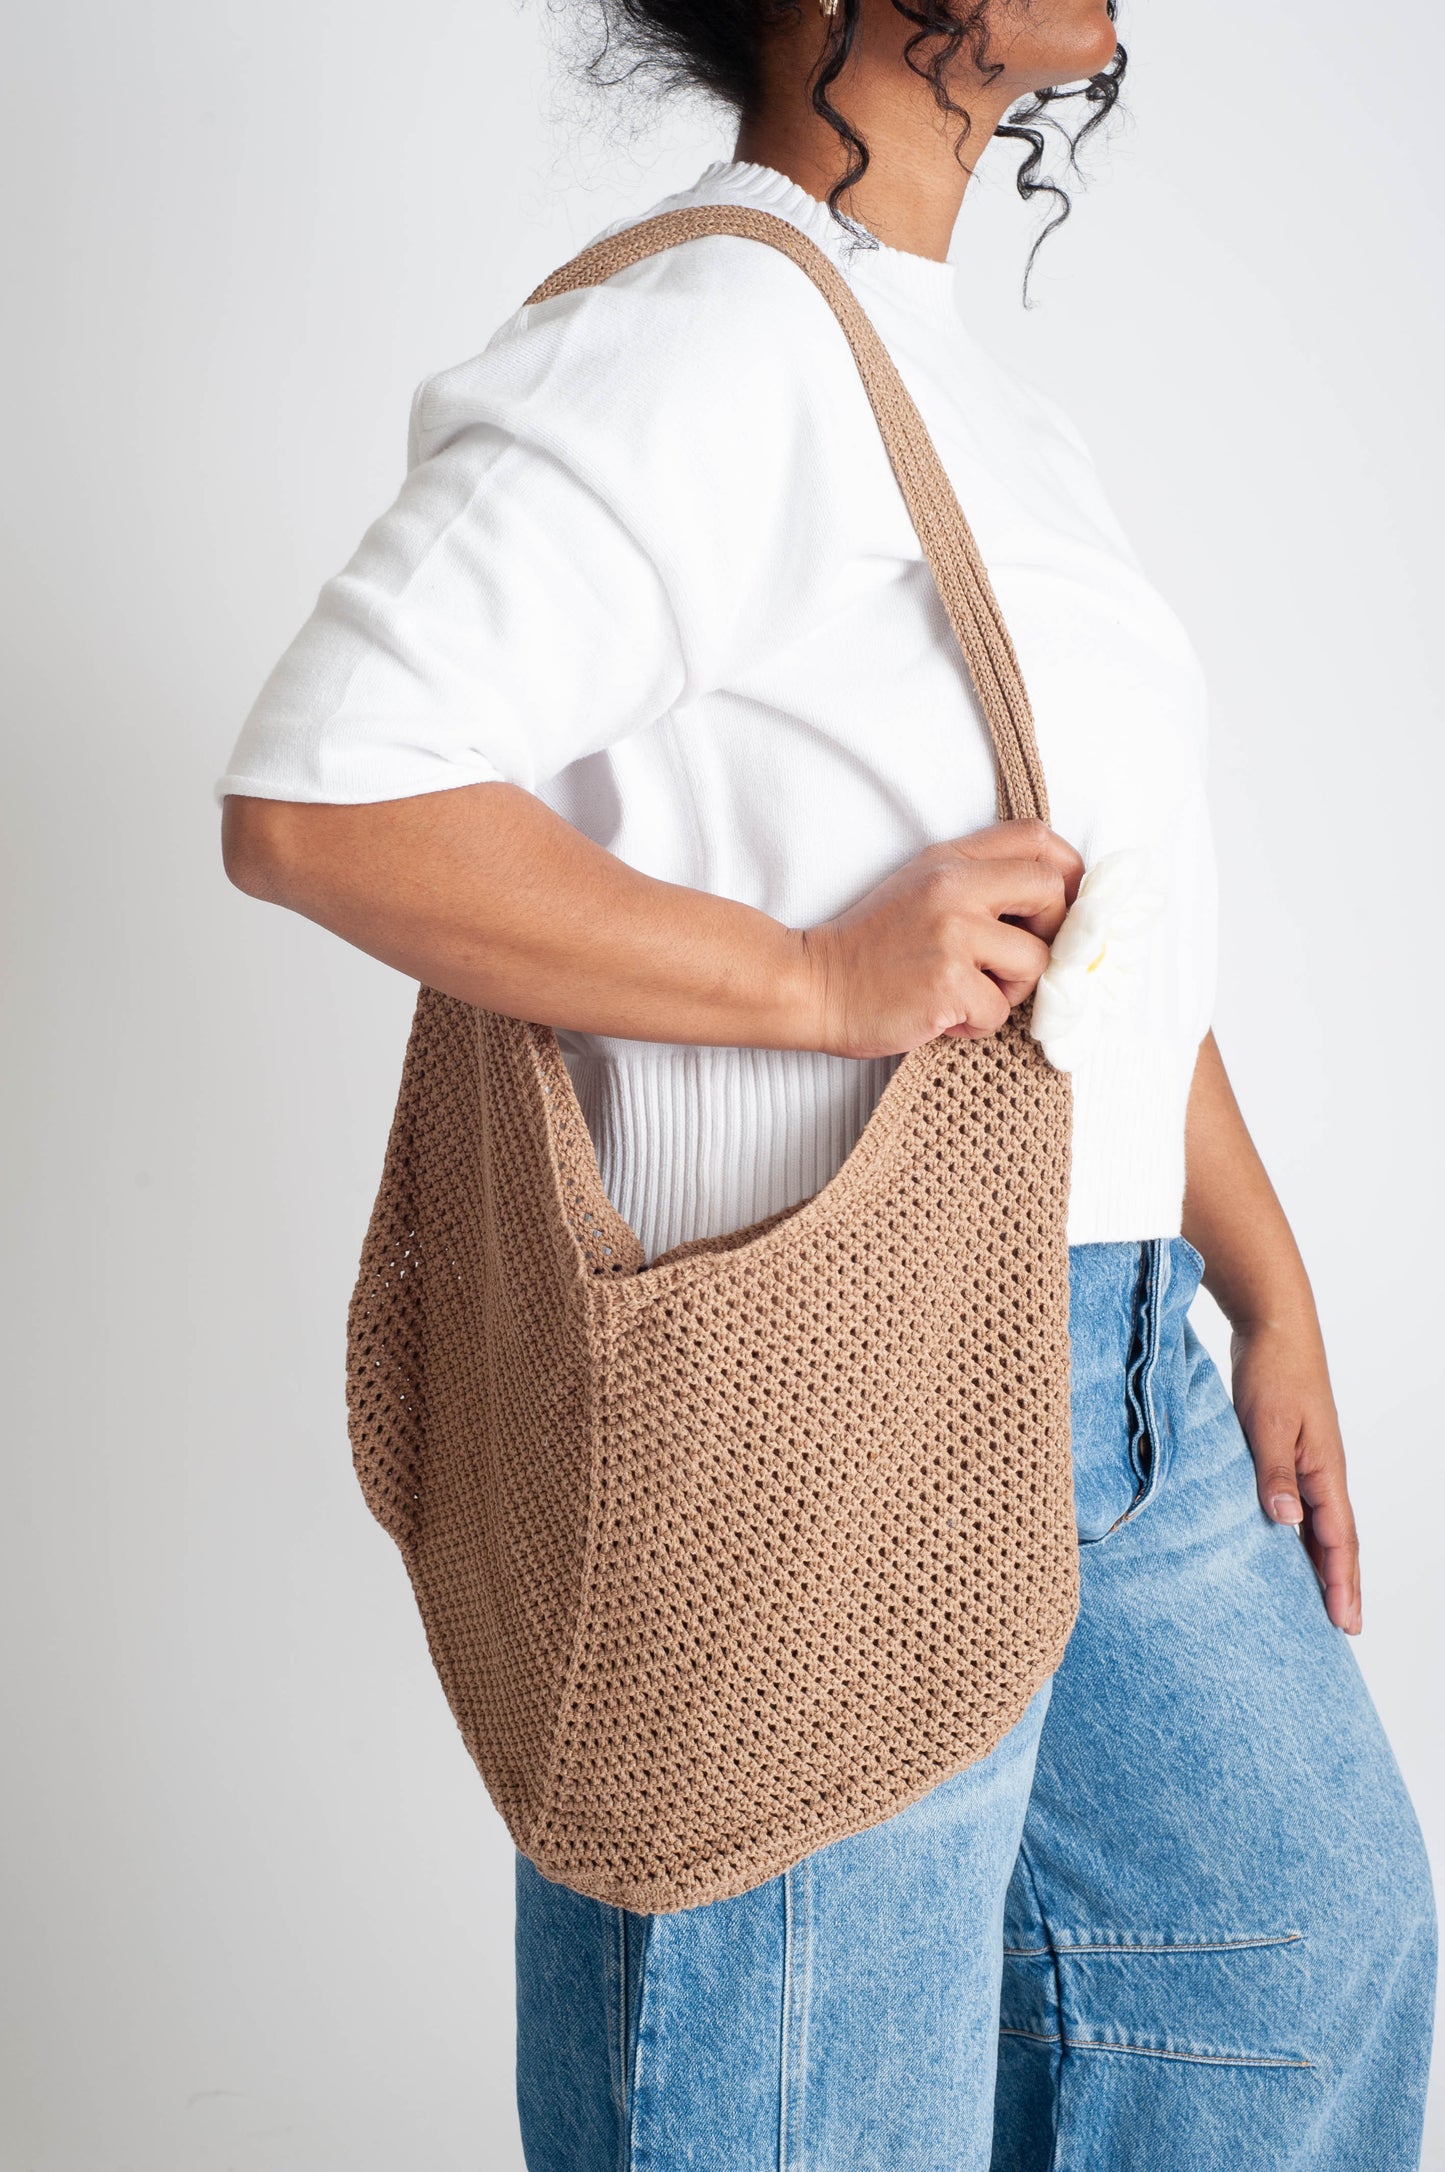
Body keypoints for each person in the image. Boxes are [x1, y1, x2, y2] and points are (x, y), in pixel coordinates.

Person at [217, 0, 1436, 2162]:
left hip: (1117, 1379)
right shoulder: (714, 333)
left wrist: (1264, 1281)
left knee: (1289, 1969)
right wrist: (812, 978)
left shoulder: (951, 385)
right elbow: (323, 798)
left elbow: (1095, 924)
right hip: (819, 1394)